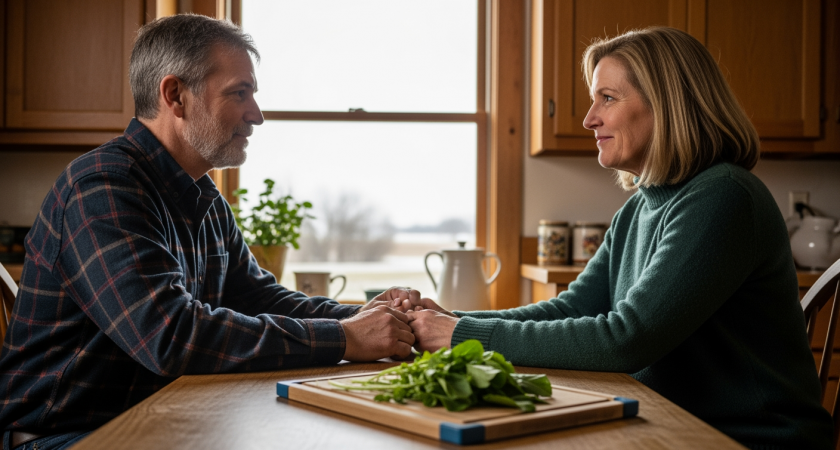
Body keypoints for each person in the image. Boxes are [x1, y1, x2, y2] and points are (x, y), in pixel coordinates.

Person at [0, 14, 421, 450]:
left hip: (157, 420)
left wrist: (359, 317)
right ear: (175, 95)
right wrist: (347, 337)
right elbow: (170, 335)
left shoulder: (202, 194)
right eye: (240, 93)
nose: (256, 115)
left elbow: (259, 296)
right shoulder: (103, 188)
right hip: (63, 438)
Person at [406, 27, 833, 449]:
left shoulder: (724, 197)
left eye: (606, 98)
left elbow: (626, 339)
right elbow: (571, 308)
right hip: (669, 422)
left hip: (749, 439)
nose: (590, 118)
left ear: (667, 105)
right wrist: (453, 319)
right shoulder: (640, 206)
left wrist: (461, 333)